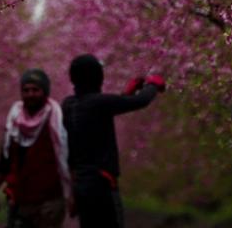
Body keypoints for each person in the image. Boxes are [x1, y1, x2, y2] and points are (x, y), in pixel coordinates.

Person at [61, 54, 166, 228]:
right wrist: (153, 85)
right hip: (102, 184)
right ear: (98, 77)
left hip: (81, 185)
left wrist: (126, 93)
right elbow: (141, 101)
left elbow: (99, 107)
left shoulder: (68, 105)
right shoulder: (100, 103)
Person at [0, 68, 73, 228]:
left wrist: (72, 194)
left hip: (50, 202)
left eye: (35, 90)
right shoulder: (13, 122)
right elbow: (4, 162)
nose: (30, 94)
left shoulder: (58, 121)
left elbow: (69, 160)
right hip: (20, 202)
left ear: (45, 92)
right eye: (26, 90)